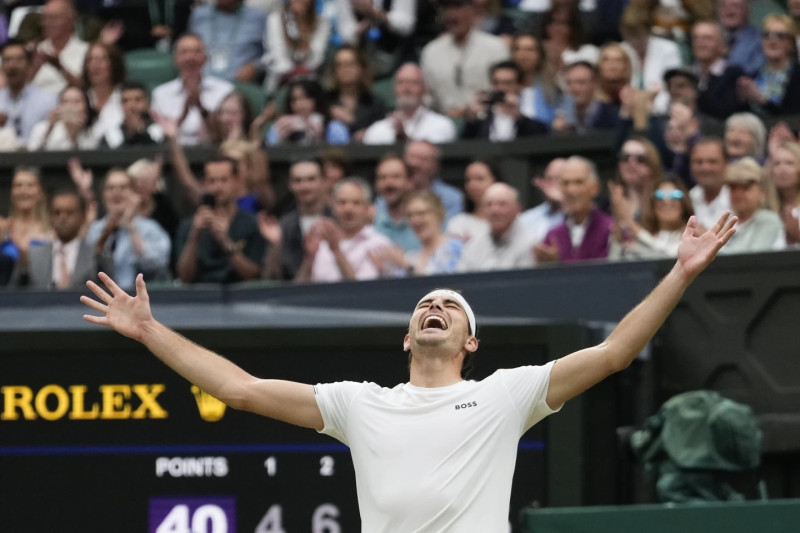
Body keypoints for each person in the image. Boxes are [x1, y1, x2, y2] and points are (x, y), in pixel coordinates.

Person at [80, 210, 738, 531]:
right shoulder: (357, 402)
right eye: (426, 303)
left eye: (449, 306)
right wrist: (148, 328)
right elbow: (239, 389)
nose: (434, 306)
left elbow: (615, 352)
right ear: (407, 336)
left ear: (470, 340)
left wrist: (680, 272)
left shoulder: (505, 395)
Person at [174, 156, 266, 284]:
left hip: (241, 296)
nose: (218, 187)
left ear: (236, 181)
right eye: (212, 181)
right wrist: (195, 235)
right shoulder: (189, 225)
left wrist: (225, 240)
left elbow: (254, 274)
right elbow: (184, 276)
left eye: (224, 180)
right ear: (204, 184)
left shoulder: (251, 223)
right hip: (200, 297)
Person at [420, 0, 509, 118]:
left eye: (458, 7)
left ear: (472, 10)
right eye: (447, 8)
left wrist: (472, 108)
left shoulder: (496, 47)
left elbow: (505, 90)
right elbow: (427, 98)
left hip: (487, 122)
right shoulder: (431, 51)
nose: (452, 15)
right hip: (444, 124)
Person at [85, 168, 171, 290]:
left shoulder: (151, 228)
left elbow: (157, 264)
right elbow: (85, 267)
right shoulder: (94, 229)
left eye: (123, 187)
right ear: (103, 195)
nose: (116, 193)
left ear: (134, 193)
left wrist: (130, 227)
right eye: (110, 188)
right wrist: (106, 232)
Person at [296, 177, 391, 283]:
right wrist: (309, 259)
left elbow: (362, 291)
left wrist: (336, 251)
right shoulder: (321, 242)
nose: (348, 209)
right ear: (333, 207)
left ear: (367, 208)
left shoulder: (378, 243)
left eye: (356, 203)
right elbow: (299, 287)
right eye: (342, 202)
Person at [151, 34, 234, 146]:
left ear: (206, 58)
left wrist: (201, 108)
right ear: (175, 59)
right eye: (184, 52)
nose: (190, 57)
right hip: (173, 153)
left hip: (215, 152)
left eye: (197, 52)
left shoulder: (225, 90)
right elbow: (157, 135)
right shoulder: (160, 94)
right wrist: (182, 117)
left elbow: (230, 131)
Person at [13, 188, 98, 289]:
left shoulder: (96, 255)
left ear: (82, 217)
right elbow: (14, 295)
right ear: (50, 217)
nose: (62, 218)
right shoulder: (34, 256)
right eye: (57, 213)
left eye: (69, 213)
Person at [261, 159, 331, 280]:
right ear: (290, 185)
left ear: (323, 182)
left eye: (311, 179)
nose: (304, 186)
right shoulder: (283, 225)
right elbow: (269, 278)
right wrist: (276, 246)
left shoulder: (339, 221)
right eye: (297, 180)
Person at [535, 156, 613, 264]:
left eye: (579, 182)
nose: (571, 190)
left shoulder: (610, 230)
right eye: (565, 183)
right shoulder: (553, 236)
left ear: (595, 187)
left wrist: (560, 264)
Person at [371, 190, 463, 277]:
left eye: (421, 213)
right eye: (410, 216)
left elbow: (444, 287)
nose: (415, 220)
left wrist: (407, 267)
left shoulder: (455, 248)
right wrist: (383, 271)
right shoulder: (411, 257)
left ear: (439, 214)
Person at [362, 63, 457, 145]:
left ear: (425, 89)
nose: (406, 88)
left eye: (413, 82)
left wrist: (404, 140)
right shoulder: (377, 130)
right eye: (401, 82)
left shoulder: (442, 125)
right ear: (394, 89)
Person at [609, 177, 694, 260]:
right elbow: (613, 266)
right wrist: (618, 229)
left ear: (684, 202)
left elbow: (665, 263)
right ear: (652, 203)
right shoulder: (635, 241)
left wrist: (630, 223)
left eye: (675, 195)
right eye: (659, 195)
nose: (666, 201)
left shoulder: (694, 237)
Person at [458, 182, 536, 272]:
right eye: (489, 204)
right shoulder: (473, 244)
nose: (494, 210)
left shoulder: (531, 243)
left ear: (517, 209)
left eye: (502, 204)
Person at [462, 60, 548, 141]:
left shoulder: (529, 106)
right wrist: (472, 118)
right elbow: (465, 146)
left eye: (507, 83)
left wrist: (519, 118)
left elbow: (542, 137)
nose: (501, 88)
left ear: (519, 85)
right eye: (496, 83)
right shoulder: (483, 115)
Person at [187, 0, 266, 83]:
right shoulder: (199, 15)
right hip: (202, 82)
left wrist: (256, 67)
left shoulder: (258, 17)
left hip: (241, 84)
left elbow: (270, 55)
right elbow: (187, 46)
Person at [736, 15, 800, 117]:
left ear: (791, 44)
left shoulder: (797, 75)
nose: (772, 41)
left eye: (780, 35)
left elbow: (793, 116)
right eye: (766, 35)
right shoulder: (753, 75)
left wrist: (761, 99)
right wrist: (742, 99)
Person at [719, 157, 785, 254]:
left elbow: (749, 259)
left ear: (762, 192)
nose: (738, 193)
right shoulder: (726, 221)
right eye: (733, 188)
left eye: (745, 188)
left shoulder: (769, 220)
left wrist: (710, 246)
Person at [0, 39, 57, 149]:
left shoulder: (47, 100)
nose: (12, 66)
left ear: (29, 64)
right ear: (2, 66)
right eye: (7, 60)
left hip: (37, 162)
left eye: (18, 60)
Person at [263, 0, 331, 91]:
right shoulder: (275, 19)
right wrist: (293, 74)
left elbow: (317, 58)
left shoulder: (323, 23)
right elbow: (277, 56)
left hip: (310, 81)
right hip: (281, 81)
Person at [326, 45, 385, 142]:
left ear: (361, 68)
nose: (345, 69)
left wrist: (352, 123)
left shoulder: (374, 103)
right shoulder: (325, 101)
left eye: (349, 64)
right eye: (339, 65)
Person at [28, 0, 88, 95]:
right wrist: (34, 68)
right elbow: (18, 89)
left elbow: (87, 89)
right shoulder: (34, 51)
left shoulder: (86, 51)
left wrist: (60, 67)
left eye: (53, 18)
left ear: (71, 20)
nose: (47, 23)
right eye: (45, 18)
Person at [690, 20, 746, 121]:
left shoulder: (733, 74)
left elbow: (725, 112)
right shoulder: (688, 73)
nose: (699, 43)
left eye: (707, 38)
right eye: (696, 38)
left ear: (722, 45)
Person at [266, 79, 349, 145]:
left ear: (316, 99)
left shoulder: (334, 127)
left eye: (305, 98)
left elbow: (343, 154)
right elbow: (270, 152)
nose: (299, 104)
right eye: (294, 100)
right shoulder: (280, 126)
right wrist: (281, 140)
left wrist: (320, 137)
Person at [0, 167, 51, 272]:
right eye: (18, 185)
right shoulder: (2, 226)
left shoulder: (52, 229)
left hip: (42, 287)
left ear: (41, 192)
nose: (23, 191)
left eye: (30, 185)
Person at [403, 140, 464, 223]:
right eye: (412, 157)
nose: (415, 164)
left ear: (435, 165)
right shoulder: (391, 195)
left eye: (422, 159)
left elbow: (451, 230)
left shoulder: (452, 198)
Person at [552, 61, 619, 134]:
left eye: (581, 83)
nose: (574, 89)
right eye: (569, 83)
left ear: (595, 84)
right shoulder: (559, 117)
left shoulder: (613, 117)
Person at [28, 84, 101, 151]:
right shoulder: (42, 128)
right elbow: (32, 158)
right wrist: (50, 129)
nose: (71, 107)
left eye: (77, 102)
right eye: (65, 102)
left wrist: (75, 135)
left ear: (86, 108)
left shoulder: (94, 130)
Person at [372, 153, 419, 252]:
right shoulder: (370, 222)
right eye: (382, 178)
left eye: (396, 177)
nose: (388, 183)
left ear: (409, 182)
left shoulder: (425, 222)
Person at [511, 32, 559, 126]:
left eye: (529, 50)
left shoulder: (555, 87)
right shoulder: (503, 85)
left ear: (540, 55)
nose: (522, 55)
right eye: (517, 49)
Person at [446, 159, 498, 243]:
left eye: (480, 179)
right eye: (468, 180)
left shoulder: (509, 223)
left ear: (495, 180)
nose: (472, 185)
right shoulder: (458, 222)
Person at [102, 80, 165, 149]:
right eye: (125, 101)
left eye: (137, 100)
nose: (131, 106)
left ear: (148, 103)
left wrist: (140, 132)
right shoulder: (111, 135)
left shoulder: (161, 131)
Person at [82, 41, 125, 140]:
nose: (95, 66)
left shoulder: (126, 97)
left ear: (114, 64)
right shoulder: (79, 98)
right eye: (90, 60)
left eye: (101, 60)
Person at [519, 157, 566, 245]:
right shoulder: (526, 219)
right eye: (549, 179)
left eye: (559, 179)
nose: (553, 184)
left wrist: (564, 203)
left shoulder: (578, 216)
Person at [688, 138, 731, 230]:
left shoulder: (739, 200)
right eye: (699, 162)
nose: (705, 168)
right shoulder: (688, 199)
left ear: (726, 164)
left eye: (712, 162)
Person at [718, 0, 764, 76]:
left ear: (747, 11)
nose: (729, 11)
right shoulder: (713, 40)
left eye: (735, 6)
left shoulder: (759, 39)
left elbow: (754, 71)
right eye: (724, 6)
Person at [768, 141, 800, 246]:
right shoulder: (765, 208)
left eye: (789, 163)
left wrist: (797, 236)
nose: (782, 169)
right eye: (777, 163)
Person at [596, 42, 632, 107]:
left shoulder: (636, 98)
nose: (612, 64)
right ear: (599, 65)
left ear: (626, 65)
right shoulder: (591, 99)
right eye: (606, 60)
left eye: (618, 60)